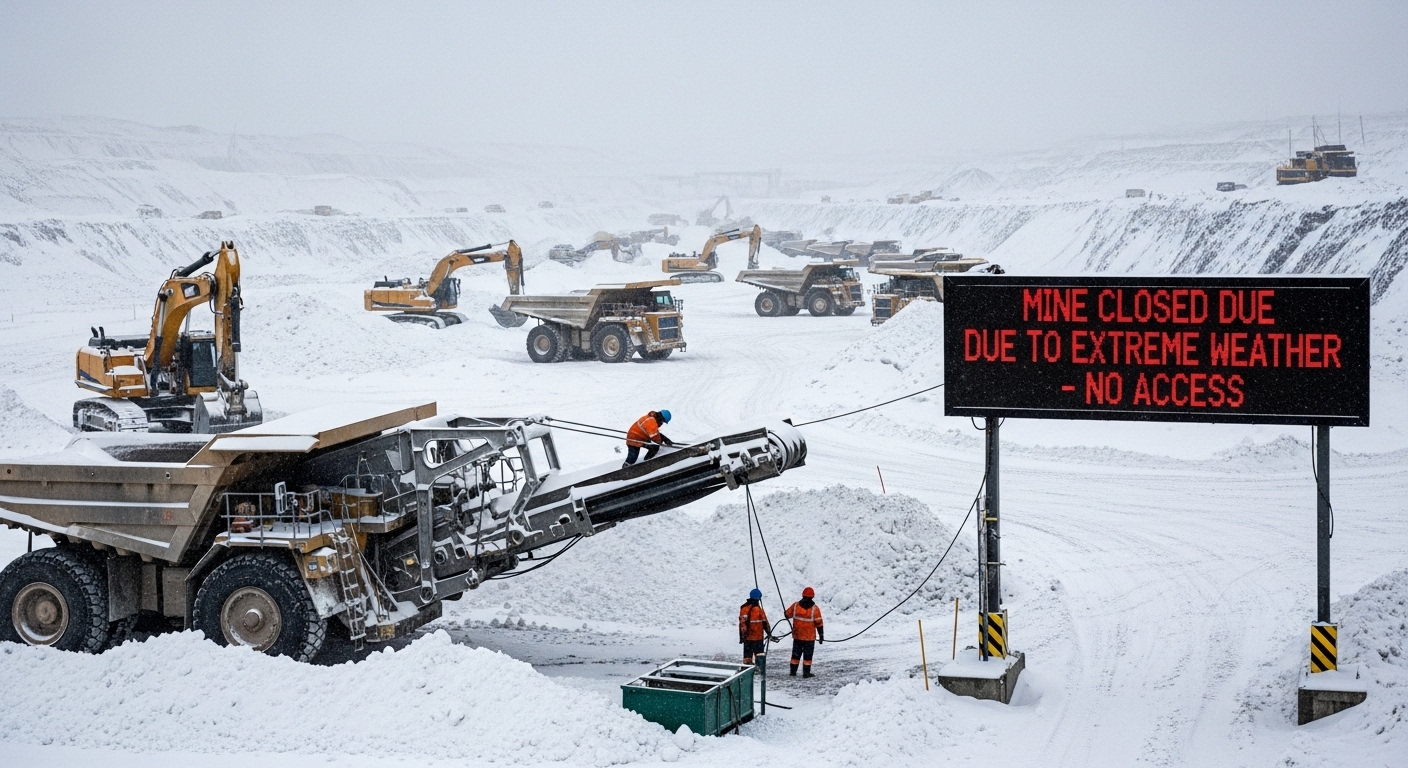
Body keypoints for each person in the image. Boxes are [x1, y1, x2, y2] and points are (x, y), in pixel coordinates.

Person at [784, 586, 824, 677]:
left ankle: (793, 672)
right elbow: (819, 624)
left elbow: (787, 614)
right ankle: (806, 673)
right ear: (812, 597)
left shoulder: (795, 606)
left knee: (795, 655)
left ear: (803, 595)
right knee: (808, 657)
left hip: (798, 636)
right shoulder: (815, 609)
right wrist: (821, 636)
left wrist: (786, 614)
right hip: (809, 638)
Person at [738, 588, 772, 665]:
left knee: (747, 658)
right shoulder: (759, 610)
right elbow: (765, 623)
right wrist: (769, 633)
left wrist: (742, 637)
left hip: (747, 638)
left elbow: (741, 623)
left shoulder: (743, 608)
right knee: (759, 657)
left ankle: (747, 671)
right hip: (758, 639)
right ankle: (759, 672)